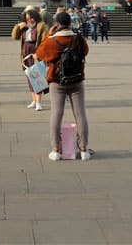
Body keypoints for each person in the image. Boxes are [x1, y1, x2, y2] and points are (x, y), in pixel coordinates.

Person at [35, 11, 92, 161]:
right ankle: (84, 149)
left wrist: (49, 35)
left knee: (57, 113)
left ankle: (56, 150)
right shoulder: (78, 38)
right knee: (80, 114)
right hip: (77, 80)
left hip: (57, 81)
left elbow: (39, 54)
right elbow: (85, 51)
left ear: (57, 24)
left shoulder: (52, 40)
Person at [13, 7, 49, 110]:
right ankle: (34, 100)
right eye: (27, 18)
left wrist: (38, 54)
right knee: (30, 78)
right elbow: (15, 36)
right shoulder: (25, 27)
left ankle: (38, 102)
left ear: (35, 17)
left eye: (31, 18)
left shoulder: (41, 26)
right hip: (25, 56)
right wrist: (18, 27)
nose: (29, 20)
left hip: (35, 55)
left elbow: (45, 42)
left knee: (37, 78)